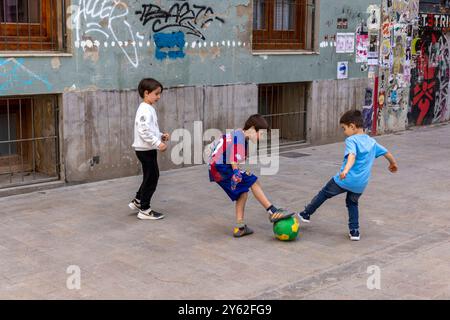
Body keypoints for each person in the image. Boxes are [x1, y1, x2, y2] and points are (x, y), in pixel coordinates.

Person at [298, 110, 398, 241]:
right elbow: (387, 153)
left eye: (344, 129)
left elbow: (352, 155)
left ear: (352, 126)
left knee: (324, 193)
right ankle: (354, 231)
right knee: (352, 204)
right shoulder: (372, 142)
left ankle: (306, 213)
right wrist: (393, 164)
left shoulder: (352, 140)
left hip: (345, 180)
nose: (344, 132)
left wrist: (345, 170)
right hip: (361, 183)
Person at [208, 114, 295, 238]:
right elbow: (233, 159)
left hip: (216, 167)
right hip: (220, 168)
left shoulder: (238, 134)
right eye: (262, 134)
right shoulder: (241, 139)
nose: (262, 138)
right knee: (252, 180)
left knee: (242, 192)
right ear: (253, 128)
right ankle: (272, 211)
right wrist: (236, 172)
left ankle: (240, 227)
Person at [129, 78, 170, 220]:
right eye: (156, 94)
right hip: (144, 150)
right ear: (146, 93)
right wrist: (157, 143)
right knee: (152, 177)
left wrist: (160, 136)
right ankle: (144, 210)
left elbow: (150, 130)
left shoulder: (148, 108)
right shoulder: (145, 110)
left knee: (149, 176)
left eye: (160, 94)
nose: (159, 97)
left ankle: (138, 201)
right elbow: (143, 130)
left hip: (146, 149)